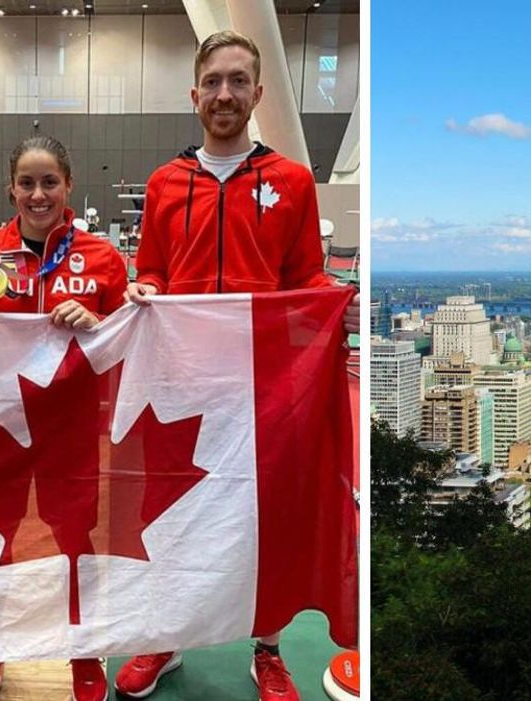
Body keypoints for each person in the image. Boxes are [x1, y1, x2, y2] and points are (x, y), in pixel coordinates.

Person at [118, 30, 358, 701]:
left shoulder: (291, 180)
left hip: (265, 386)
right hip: (183, 380)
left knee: (263, 515)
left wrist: (334, 303)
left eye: (238, 81)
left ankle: (268, 648)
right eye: (213, 82)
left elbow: (304, 276)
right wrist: (146, 290)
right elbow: (153, 270)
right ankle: (166, 635)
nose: (224, 94)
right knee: (173, 509)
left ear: (257, 93)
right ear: (194, 94)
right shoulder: (166, 183)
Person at [0, 135, 128, 701]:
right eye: (26, 183)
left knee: (77, 541)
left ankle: (85, 651)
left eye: (49, 181)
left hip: (71, 431)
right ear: (11, 189)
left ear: (69, 185)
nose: (38, 194)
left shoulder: (102, 258)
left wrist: (99, 322)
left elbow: (130, 344)